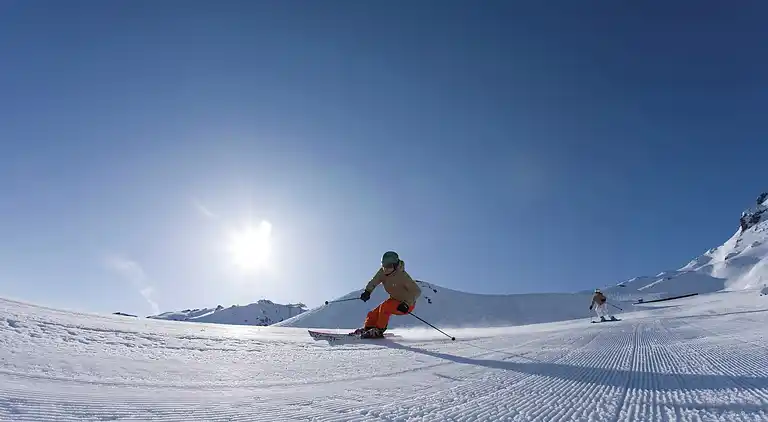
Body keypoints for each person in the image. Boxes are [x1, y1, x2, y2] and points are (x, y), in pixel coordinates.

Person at [351, 251, 422, 338]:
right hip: (394, 300)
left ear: (395, 265)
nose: (386, 269)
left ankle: (379, 330)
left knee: (385, 307)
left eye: (389, 266)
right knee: (373, 313)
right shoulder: (382, 272)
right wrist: (367, 291)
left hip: (406, 304)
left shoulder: (402, 276)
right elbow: (374, 281)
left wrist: (406, 304)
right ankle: (368, 328)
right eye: (384, 265)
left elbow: (417, 291)